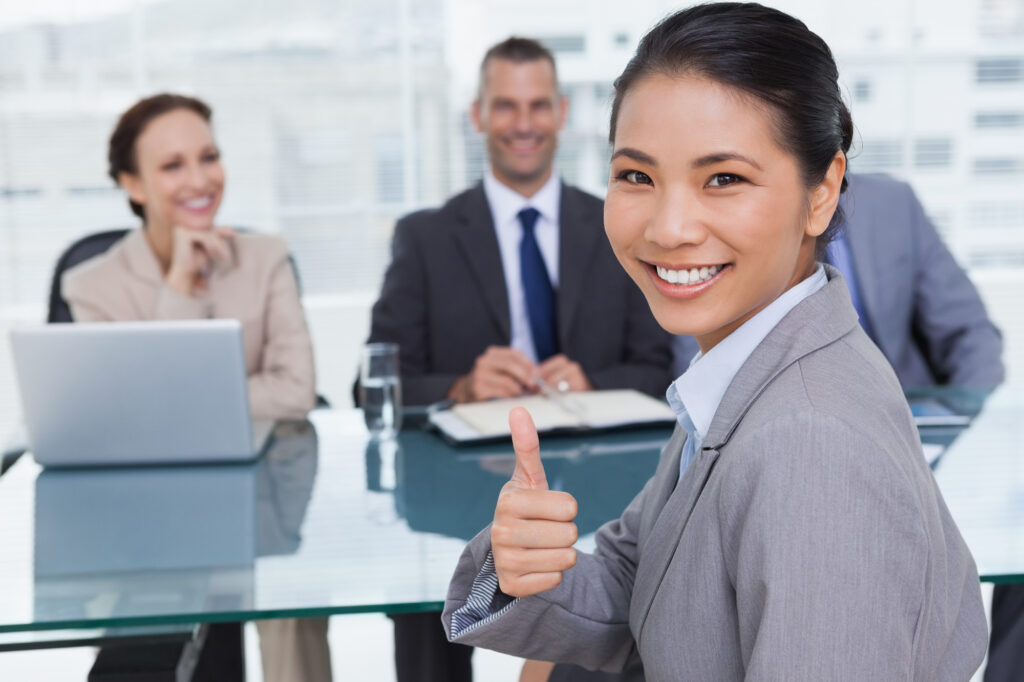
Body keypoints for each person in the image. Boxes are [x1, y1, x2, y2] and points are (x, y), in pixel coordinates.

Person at [441, 4, 988, 681]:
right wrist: (516, 564)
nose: (670, 228)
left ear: (823, 192)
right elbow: (645, 582)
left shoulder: (811, 444)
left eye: (723, 179)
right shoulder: (744, 367)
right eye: (636, 176)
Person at [365, 37, 672, 682]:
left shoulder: (618, 221)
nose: (524, 123)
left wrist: (592, 383)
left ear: (561, 112)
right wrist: (460, 385)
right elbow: (374, 387)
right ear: (477, 116)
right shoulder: (424, 237)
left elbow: (658, 368)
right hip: (458, 497)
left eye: (538, 105)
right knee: (426, 601)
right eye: (505, 106)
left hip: (603, 497)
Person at [61, 93, 328, 682]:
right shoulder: (92, 285)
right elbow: (123, 422)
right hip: (146, 524)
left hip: (263, 507)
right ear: (133, 185)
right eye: (173, 165)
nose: (201, 179)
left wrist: (167, 405)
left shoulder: (264, 258)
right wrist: (182, 282)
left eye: (209, 156)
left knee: (295, 607)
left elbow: (297, 390)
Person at [670, 172, 1006, 388]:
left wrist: (964, 422)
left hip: (911, 416)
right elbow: (699, 357)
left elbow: (969, 334)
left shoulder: (894, 202)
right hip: (784, 425)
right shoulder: (722, 221)